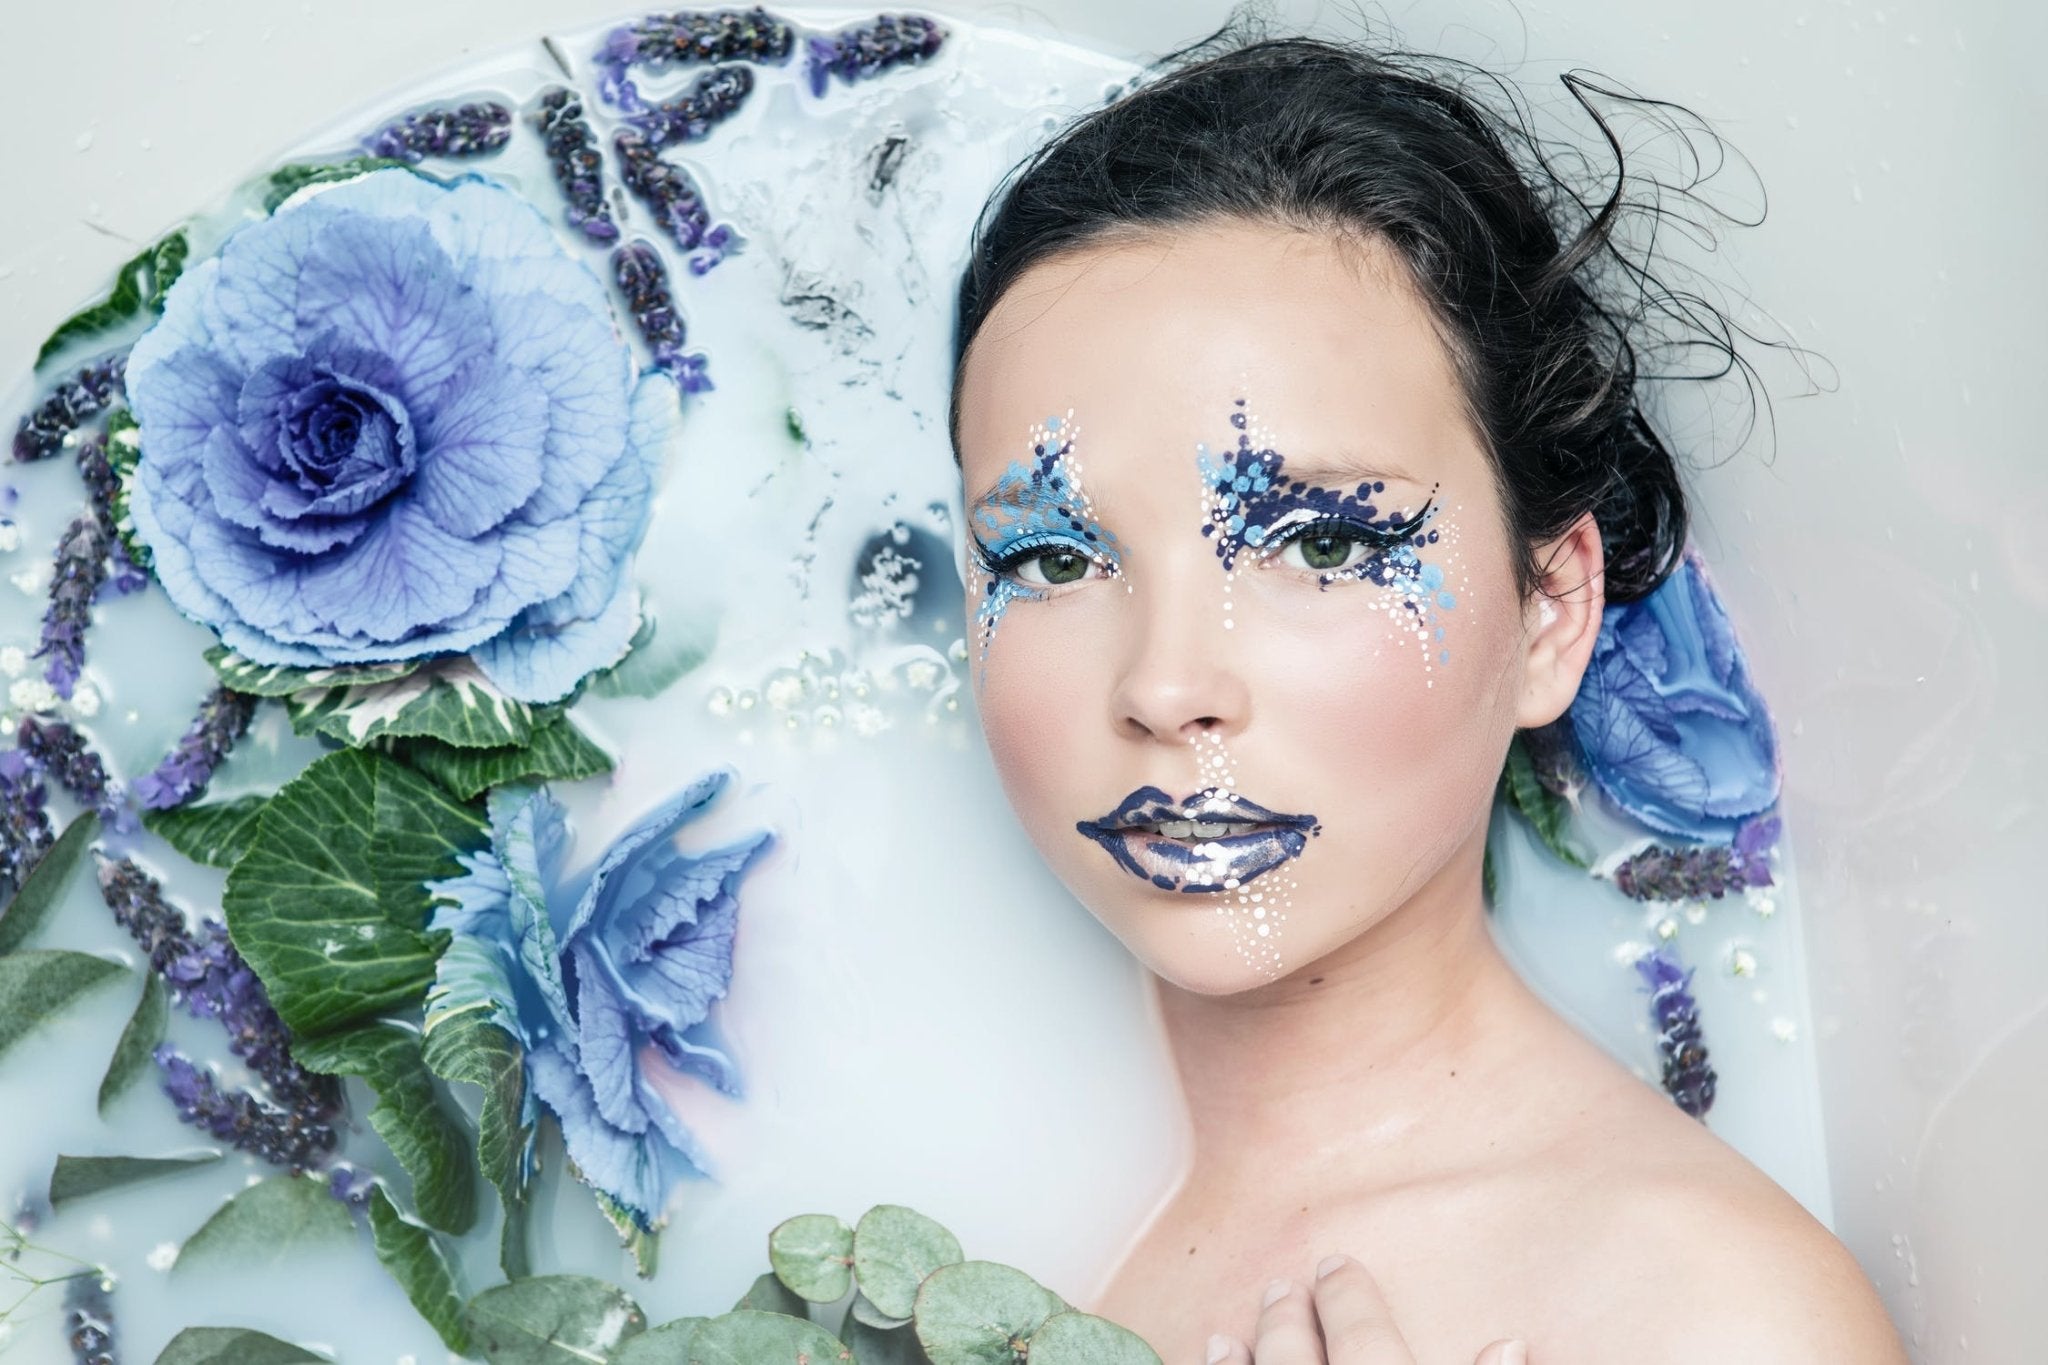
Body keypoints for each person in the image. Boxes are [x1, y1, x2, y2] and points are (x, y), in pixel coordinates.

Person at [945, 27, 1907, 1365]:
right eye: (1051, 556)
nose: (1166, 685)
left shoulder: (1709, 1317)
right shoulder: (881, 1130)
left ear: (1549, 611)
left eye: (1323, 543)